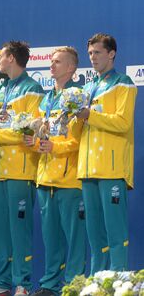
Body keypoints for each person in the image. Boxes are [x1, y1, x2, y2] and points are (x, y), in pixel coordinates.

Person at [0, 41, 44, 296]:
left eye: (1, 56)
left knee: (20, 231)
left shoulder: (33, 89)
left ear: (12, 58)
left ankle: (23, 285)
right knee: (0, 231)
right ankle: (2, 283)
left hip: (21, 170)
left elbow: (30, 131)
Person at [23, 47, 86, 296]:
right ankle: (50, 284)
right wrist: (32, 137)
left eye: (57, 61)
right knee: (51, 239)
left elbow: (79, 140)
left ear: (71, 68)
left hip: (69, 179)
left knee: (74, 239)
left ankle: (73, 285)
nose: (51, 65)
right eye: (50, 61)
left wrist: (54, 146)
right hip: (45, 177)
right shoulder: (46, 99)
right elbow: (42, 135)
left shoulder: (78, 97)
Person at [75, 33, 136, 273]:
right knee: (94, 233)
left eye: (97, 52)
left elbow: (123, 122)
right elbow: (75, 134)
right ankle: (95, 280)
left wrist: (90, 115)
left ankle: (117, 279)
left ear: (111, 53)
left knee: (115, 230)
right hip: (87, 169)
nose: (93, 58)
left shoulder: (124, 83)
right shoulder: (87, 87)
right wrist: (72, 117)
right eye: (90, 53)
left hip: (111, 169)